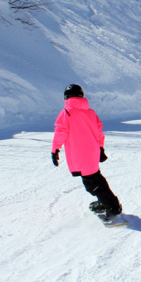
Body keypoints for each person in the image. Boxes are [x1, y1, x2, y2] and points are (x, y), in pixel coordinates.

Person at [51, 84, 122, 221]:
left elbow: (61, 132)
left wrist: (55, 150)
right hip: (93, 153)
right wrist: (100, 148)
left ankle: (112, 208)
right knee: (96, 179)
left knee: (93, 185)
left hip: (80, 155)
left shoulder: (66, 113)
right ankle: (108, 203)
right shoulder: (90, 113)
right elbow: (99, 132)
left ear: (66, 97)